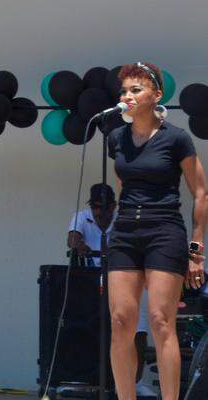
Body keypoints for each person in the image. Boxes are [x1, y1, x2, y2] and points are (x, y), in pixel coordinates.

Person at [106, 62, 208, 400]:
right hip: (125, 231)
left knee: (161, 321)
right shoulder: (116, 138)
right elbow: (125, 185)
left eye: (136, 89)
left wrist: (195, 249)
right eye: (124, 90)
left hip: (164, 230)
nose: (128, 95)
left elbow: (201, 192)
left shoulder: (176, 138)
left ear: (156, 95)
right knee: (121, 322)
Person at [68, 184, 153, 394]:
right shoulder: (81, 216)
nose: (99, 212)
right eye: (95, 207)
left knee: (138, 331)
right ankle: (87, 380)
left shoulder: (124, 218)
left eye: (103, 207)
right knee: (86, 330)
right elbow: (72, 239)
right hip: (91, 284)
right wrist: (80, 244)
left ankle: (135, 383)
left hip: (125, 279)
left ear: (114, 206)